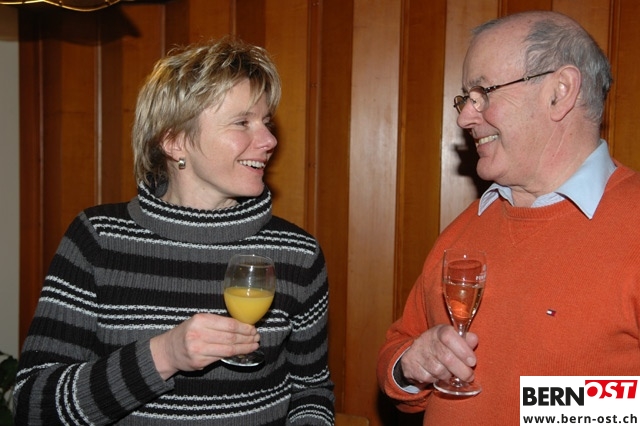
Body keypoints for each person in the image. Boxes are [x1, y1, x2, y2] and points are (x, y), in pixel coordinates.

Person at [14, 37, 335, 425]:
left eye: (265, 123)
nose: (269, 140)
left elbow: (312, 391)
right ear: (174, 140)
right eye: (242, 122)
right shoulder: (98, 239)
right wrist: (163, 355)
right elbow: (33, 404)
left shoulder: (297, 253)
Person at [377, 10, 640, 425]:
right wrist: (410, 364)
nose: (464, 117)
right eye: (466, 99)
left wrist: (550, 406)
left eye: (483, 93)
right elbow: (400, 349)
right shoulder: (462, 231)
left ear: (560, 92)